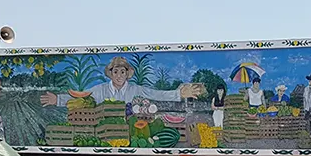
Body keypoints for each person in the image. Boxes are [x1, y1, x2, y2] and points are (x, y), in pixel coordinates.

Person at [40, 56, 202, 108]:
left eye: (122, 72)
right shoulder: (100, 90)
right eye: (115, 72)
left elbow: (156, 94)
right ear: (110, 74)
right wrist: (58, 100)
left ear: (127, 74)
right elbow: (82, 98)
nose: (119, 75)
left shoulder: (135, 89)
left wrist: (178, 93)